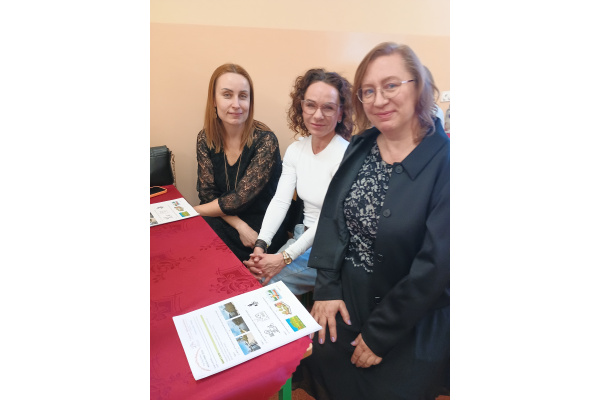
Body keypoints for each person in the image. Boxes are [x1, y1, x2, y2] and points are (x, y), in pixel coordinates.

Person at [294, 42, 450, 399]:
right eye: (368, 91)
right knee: (325, 361)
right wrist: (327, 289)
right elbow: (334, 218)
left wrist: (380, 335)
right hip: (349, 298)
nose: (379, 100)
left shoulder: (446, 162)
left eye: (391, 85)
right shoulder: (362, 145)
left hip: (408, 316)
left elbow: (435, 266)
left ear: (419, 86)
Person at [243, 68, 353, 295]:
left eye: (328, 107)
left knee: (263, 285)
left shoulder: (345, 155)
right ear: (301, 107)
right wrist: (260, 246)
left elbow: (330, 219)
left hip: (334, 246)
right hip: (303, 235)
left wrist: (284, 258)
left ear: (340, 113)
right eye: (311, 105)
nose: (318, 115)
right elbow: (280, 201)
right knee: (255, 273)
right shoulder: (296, 150)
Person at [194, 63, 288, 262]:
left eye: (243, 96)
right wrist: (239, 225)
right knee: (193, 236)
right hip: (229, 221)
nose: (236, 104)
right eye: (227, 95)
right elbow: (207, 195)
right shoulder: (205, 138)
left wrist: (190, 212)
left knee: (200, 241)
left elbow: (239, 199)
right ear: (214, 100)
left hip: (262, 230)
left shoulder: (266, 140)